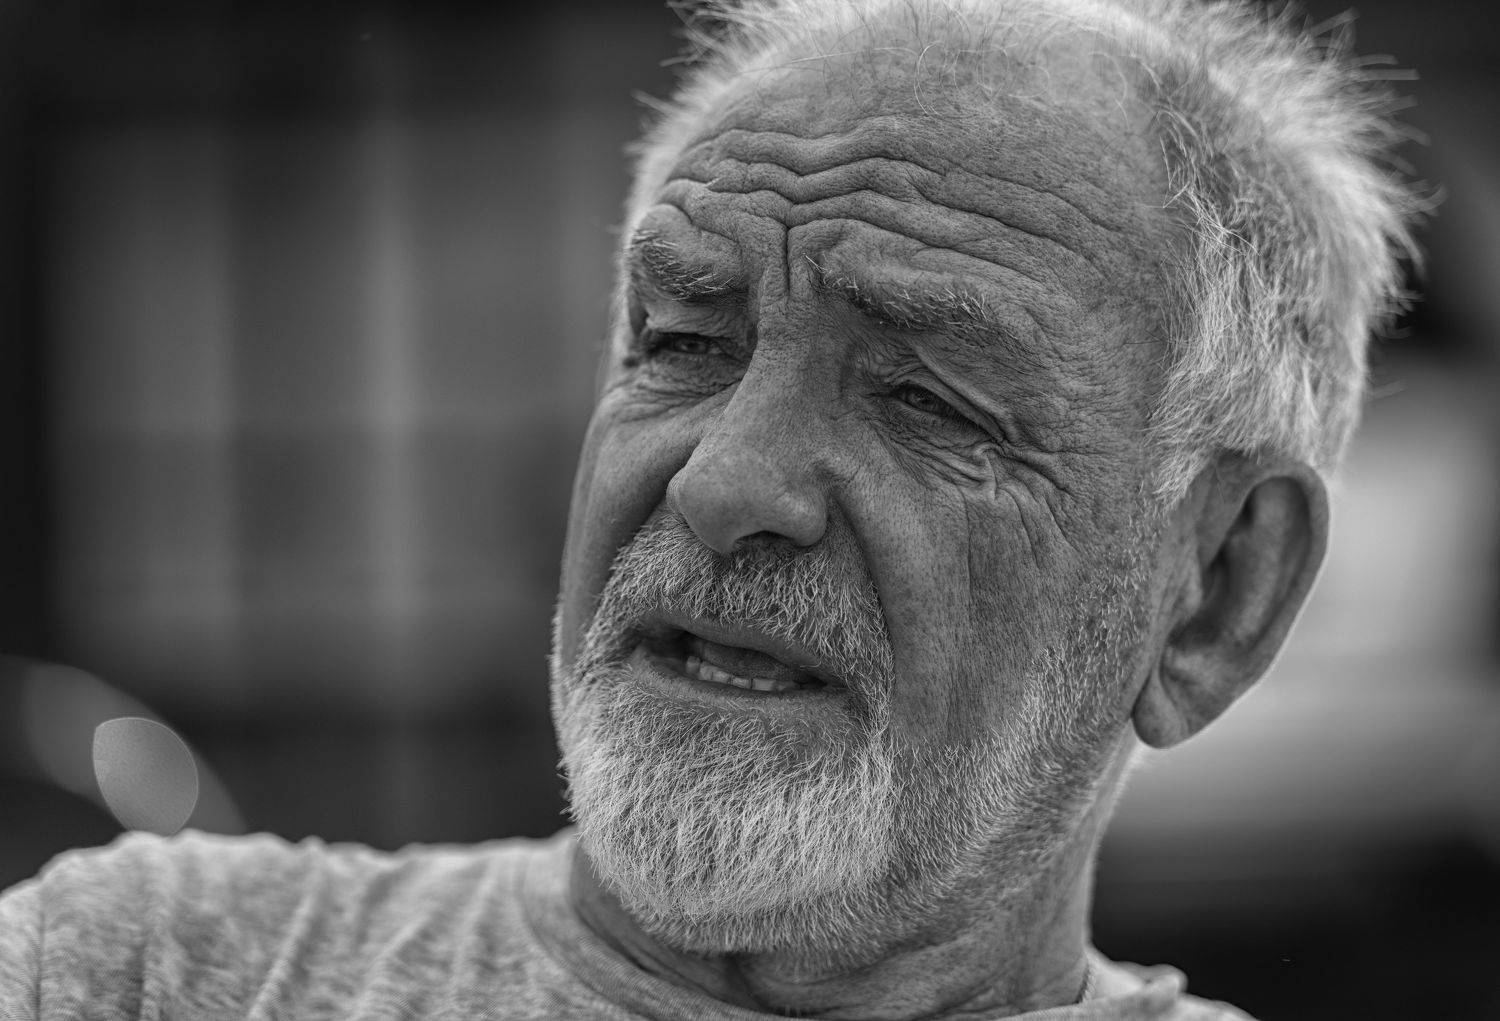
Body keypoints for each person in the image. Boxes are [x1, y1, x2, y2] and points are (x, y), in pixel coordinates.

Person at [0, 0, 1420, 1017]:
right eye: (683, 344)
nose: (724, 483)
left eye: (926, 400)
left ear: (1217, 594)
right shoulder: (128, 971)